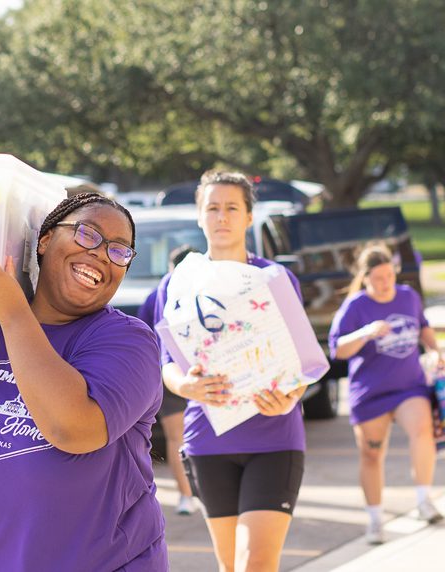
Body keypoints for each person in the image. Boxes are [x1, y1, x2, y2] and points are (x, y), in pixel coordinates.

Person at [0, 193, 168, 571]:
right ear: (45, 239)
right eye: (88, 234)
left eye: (120, 251)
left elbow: (72, 430)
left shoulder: (127, 340)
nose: (102, 253)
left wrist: (13, 312)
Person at [157, 171, 306, 572]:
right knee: (230, 566)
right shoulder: (176, 283)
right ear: (199, 215)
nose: (222, 217)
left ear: (249, 216)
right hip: (207, 441)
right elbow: (166, 364)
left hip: (275, 437)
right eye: (213, 208)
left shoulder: (275, 278)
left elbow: (303, 361)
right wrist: (187, 386)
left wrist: (292, 395)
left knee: (255, 563)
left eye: (232, 208)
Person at [329, 243, 444, 544]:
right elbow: (338, 350)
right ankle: (375, 520)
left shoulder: (408, 296)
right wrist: (365, 332)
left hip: (410, 387)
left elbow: (423, 327)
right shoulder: (355, 306)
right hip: (370, 393)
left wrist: (435, 351)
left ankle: (423, 501)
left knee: (422, 430)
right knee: (371, 454)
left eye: (389, 276)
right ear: (365, 277)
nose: (385, 283)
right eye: (378, 278)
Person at [138, 245, 199, 516]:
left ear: (171, 268)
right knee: (200, 434)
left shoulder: (157, 294)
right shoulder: (205, 290)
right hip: (202, 370)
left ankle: (187, 496)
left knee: (177, 438)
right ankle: (199, 492)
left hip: (166, 371)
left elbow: (141, 336)